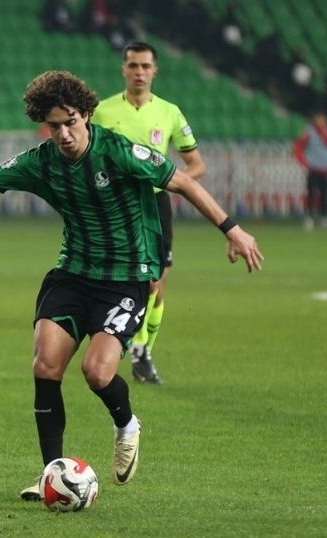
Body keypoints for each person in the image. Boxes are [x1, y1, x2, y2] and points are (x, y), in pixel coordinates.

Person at [0, 70, 263, 501]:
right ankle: (50, 476)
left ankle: (127, 424)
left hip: (126, 278)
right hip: (72, 273)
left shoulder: (118, 152)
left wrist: (233, 230)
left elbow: (182, 182)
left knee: (96, 372)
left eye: (70, 122)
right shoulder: (41, 162)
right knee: (45, 367)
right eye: (54, 126)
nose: (64, 134)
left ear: (86, 115)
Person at [91, 41, 207, 385]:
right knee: (119, 279)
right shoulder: (102, 112)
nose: (139, 72)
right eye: (133, 65)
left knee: (156, 284)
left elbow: (196, 164)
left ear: (155, 71)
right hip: (114, 206)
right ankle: (120, 345)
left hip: (155, 205)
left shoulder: (169, 113)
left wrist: (171, 180)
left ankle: (142, 351)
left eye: (145, 66)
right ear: (123, 69)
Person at [293, 109, 327, 230]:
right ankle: (309, 217)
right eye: (318, 120)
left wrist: (325, 135)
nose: (320, 122)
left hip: (326, 168)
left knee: (326, 195)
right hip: (314, 167)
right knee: (311, 194)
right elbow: (298, 146)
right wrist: (303, 161)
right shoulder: (309, 133)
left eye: (322, 120)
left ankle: (324, 217)